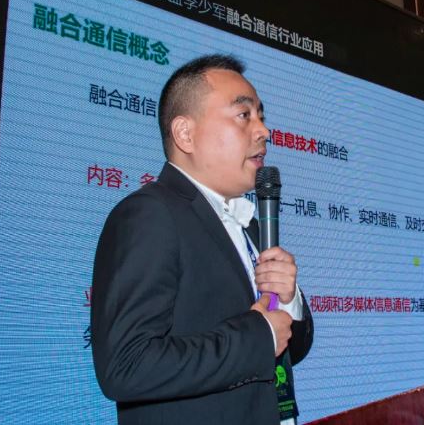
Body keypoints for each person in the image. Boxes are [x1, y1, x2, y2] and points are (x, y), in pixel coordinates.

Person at [91, 54, 314, 425]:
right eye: (244, 115)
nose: (263, 131)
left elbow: (289, 350)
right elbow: (126, 365)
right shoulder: (150, 214)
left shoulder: (250, 226)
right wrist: (256, 336)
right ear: (185, 134)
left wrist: (289, 302)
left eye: (261, 116)